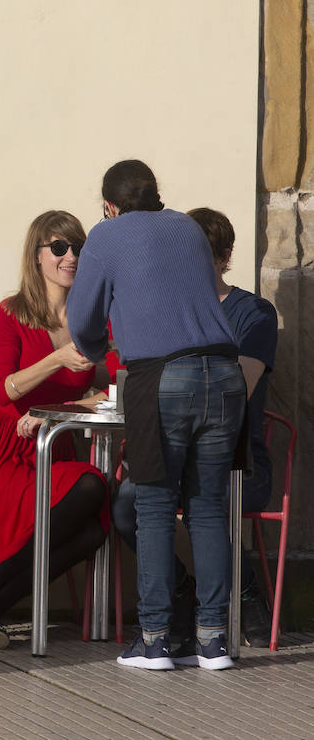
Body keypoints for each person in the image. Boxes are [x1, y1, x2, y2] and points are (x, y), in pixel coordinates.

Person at [67, 160, 244, 671]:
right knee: (208, 507)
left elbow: (83, 318)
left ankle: (156, 640)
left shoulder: (106, 233)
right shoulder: (188, 226)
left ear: (109, 204)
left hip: (164, 377)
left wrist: (98, 346)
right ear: (156, 194)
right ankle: (213, 643)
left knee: (155, 508)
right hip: (225, 373)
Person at [109, 206, 278, 643]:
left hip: (236, 461)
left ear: (224, 257)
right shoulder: (168, 311)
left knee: (198, 502)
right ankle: (185, 593)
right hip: (175, 450)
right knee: (128, 503)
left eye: (203, 256)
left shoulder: (254, 313)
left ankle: (235, 594)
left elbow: (238, 385)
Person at [0, 211, 109, 648]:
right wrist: (56, 360)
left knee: (94, 529)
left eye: (78, 248)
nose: (71, 256)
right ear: (37, 257)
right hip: (8, 447)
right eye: (59, 248)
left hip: (54, 442)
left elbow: (112, 388)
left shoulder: (93, 317)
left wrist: (67, 405)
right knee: (92, 489)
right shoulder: (12, 312)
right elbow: (3, 391)